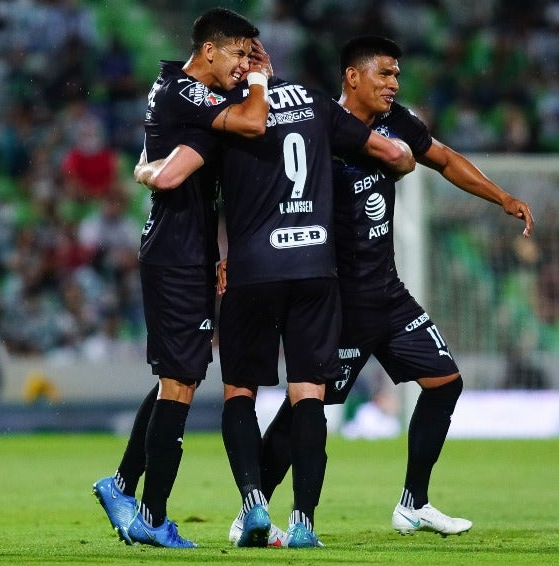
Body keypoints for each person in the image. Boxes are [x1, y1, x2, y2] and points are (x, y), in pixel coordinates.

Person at [247, 36, 534, 539]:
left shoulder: (395, 121)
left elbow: (442, 158)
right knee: (306, 408)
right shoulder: (319, 126)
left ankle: (413, 503)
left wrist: (501, 197)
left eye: (397, 75)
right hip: (337, 298)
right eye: (384, 74)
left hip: (388, 292)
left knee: (446, 382)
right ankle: (254, 509)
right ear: (352, 77)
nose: (393, 84)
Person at [136, 63, 415, 548]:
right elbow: (393, 154)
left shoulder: (232, 116)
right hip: (315, 268)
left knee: (240, 393)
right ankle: (304, 522)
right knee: (308, 396)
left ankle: (253, 504)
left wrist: (144, 168)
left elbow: (177, 175)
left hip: (254, 271)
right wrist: (407, 149)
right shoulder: (318, 104)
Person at [91, 7, 271, 549]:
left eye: (250, 56)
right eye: (239, 54)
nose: (245, 66)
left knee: (181, 375)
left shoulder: (181, 91)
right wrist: (262, 80)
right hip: (175, 255)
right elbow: (253, 121)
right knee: (179, 383)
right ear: (210, 51)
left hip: (186, 250)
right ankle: (151, 516)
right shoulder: (184, 93)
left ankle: (121, 484)